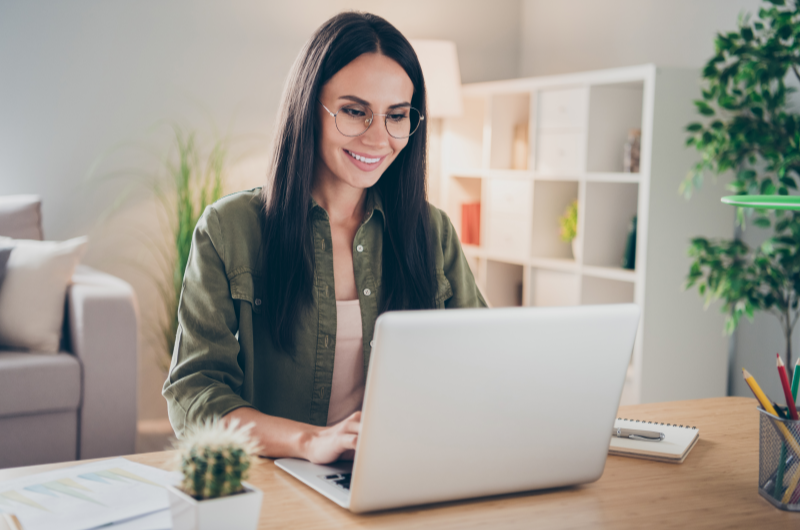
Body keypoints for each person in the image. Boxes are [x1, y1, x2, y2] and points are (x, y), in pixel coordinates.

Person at [163, 11, 486, 465]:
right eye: (355, 112)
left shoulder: (432, 233)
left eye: (397, 116)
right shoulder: (228, 230)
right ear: (308, 106)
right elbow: (194, 396)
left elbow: (483, 368)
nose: (379, 138)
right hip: (277, 482)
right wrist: (311, 441)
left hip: (405, 472)